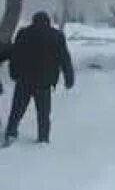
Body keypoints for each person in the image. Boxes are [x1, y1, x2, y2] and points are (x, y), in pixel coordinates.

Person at [3, 11, 74, 146]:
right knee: (43, 112)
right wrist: (69, 78)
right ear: (48, 21)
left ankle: (11, 133)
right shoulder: (56, 36)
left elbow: (15, 55)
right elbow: (64, 58)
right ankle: (43, 137)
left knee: (17, 109)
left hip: (24, 80)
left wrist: (14, 73)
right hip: (44, 82)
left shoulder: (24, 33)